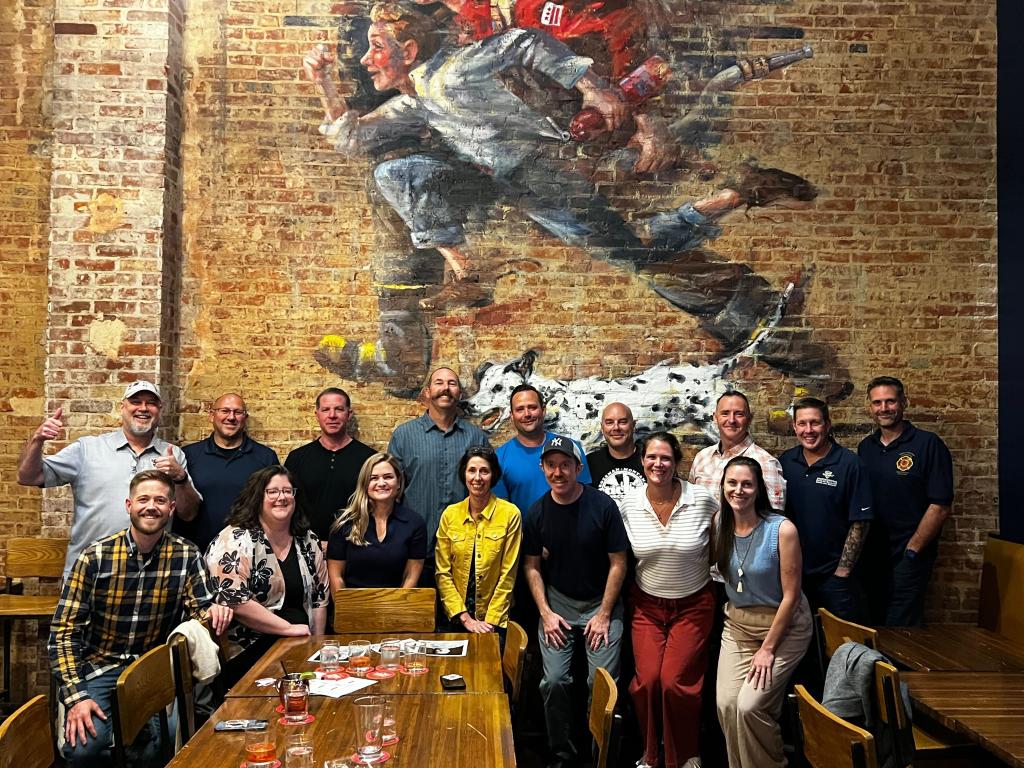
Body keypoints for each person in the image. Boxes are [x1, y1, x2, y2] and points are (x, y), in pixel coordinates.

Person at [302, 4, 789, 356]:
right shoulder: (417, 100)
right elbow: (352, 138)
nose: (368, 60)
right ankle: (467, 275)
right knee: (396, 170)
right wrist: (324, 85)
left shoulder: (451, 74)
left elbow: (525, 42)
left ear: (408, 50)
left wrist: (594, 88)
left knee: (633, 252)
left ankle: (737, 193)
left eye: (376, 48)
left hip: (543, 173)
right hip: (504, 184)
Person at [49, 470, 231, 768]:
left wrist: (215, 611)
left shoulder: (186, 555)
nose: (151, 506)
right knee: (84, 748)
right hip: (99, 667)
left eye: (160, 500)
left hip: (151, 669)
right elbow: (63, 633)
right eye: (143, 499)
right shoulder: (94, 558)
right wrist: (76, 697)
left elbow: (202, 611)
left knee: (170, 742)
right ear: (128, 505)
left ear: (171, 508)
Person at [18, 380, 201, 575]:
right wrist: (37, 440)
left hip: (149, 576)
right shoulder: (88, 449)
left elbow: (188, 514)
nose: (143, 408)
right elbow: (28, 477)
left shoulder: (172, 454)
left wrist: (180, 478)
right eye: (136, 401)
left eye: (151, 403)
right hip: (89, 572)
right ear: (122, 407)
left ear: (160, 410)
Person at [522, 435, 628, 766]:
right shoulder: (537, 512)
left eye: (565, 465)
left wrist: (605, 613)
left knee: (601, 686)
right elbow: (532, 566)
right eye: (551, 465)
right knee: (553, 682)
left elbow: (619, 563)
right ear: (543, 469)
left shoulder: (602, 506)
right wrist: (546, 613)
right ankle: (562, 753)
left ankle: (602, 756)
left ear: (578, 468)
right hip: (559, 603)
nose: (558, 471)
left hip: (602, 602)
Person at [618, 432, 717, 768]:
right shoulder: (629, 504)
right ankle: (651, 754)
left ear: (676, 462)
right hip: (646, 607)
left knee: (676, 684)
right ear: (642, 462)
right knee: (647, 682)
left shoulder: (702, 499)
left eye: (665, 458)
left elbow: (722, 543)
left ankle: (686, 754)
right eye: (651, 458)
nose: (658, 464)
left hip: (693, 606)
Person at [714, 457, 812, 768]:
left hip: (784, 627)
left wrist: (768, 649)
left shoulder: (781, 530)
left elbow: (792, 595)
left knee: (749, 706)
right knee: (727, 704)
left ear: (758, 490)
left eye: (746, 484)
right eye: (732, 483)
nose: (738, 490)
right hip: (739, 626)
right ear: (723, 486)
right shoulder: (720, 523)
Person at [206, 466, 329, 670]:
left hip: (299, 644)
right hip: (248, 649)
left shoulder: (307, 539)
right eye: (272, 491)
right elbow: (236, 600)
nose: (281, 497)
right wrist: (288, 629)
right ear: (257, 497)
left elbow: (319, 598)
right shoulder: (234, 539)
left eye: (287, 491)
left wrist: (316, 647)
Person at [857, 376, 954, 626]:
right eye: (877, 402)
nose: (884, 408)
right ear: (870, 407)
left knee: (901, 626)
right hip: (873, 555)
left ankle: (903, 668)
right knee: (874, 620)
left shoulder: (927, 444)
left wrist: (913, 550)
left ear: (903, 402)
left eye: (890, 401)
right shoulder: (866, 447)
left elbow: (940, 506)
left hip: (909, 555)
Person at [388, 367, 490, 583]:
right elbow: (390, 493)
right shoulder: (404, 435)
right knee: (419, 615)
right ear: (427, 392)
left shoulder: (476, 437)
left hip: (465, 551)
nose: (445, 388)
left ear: (459, 394)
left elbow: (488, 492)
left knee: (462, 616)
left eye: (452, 383)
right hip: (416, 550)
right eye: (439, 383)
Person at [780, 397, 872, 622]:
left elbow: (861, 521)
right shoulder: (785, 462)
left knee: (842, 645)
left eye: (815, 423)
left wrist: (842, 572)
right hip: (795, 575)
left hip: (835, 578)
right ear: (794, 427)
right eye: (802, 424)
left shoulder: (850, 464)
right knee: (801, 643)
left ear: (828, 425)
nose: (808, 430)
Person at [435, 446, 522, 639]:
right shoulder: (450, 514)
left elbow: (508, 574)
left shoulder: (510, 514)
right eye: (472, 470)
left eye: (484, 471)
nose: (477, 477)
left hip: (494, 620)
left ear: (493, 475)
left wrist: (489, 622)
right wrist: (465, 618)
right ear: (464, 474)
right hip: (455, 618)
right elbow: (443, 572)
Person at [176, 392, 279, 553]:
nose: (231, 417)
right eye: (224, 411)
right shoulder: (188, 455)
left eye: (237, 412)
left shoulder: (265, 457)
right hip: (196, 552)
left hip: (249, 552)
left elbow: (274, 508)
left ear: (245, 418)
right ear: (211, 415)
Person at [285, 387, 376, 542]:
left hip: (355, 546)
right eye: (326, 410)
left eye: (339, 409)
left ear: (349, 414)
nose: (332, 415)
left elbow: (376, 508)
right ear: (317, 415)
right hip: (306, 546)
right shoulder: (297, 458)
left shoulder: (369, 458)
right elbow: (287, 504)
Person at [326, 452, 427, 591]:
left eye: (388, 477)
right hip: (354, 606)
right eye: (373, 478)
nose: (381, 483)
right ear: (365, 483)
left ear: (398, 482)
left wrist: (395, 610)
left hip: (397, 606)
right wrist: (346, 611)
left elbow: (411, 578)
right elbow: (336, 577)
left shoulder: (415, 524)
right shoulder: (344, 522)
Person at [495, 384, 592, 518]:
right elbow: (501, 513)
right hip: (525, 537)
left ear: (543, 410)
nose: (527, 414)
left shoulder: (571, 448)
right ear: (511, 415)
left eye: (532, 407)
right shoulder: (499, 458)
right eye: (520, 409)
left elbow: (587, 499)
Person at [689, 391, 787, 512]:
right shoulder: (702, 457)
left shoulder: (765, 463)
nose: (731, 420)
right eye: (725, 413)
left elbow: (773, 519)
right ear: (715, 417)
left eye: (739, 414)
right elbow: (691, 504)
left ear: (749, 419)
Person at [587, 401, 645, 505]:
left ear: (633, 425)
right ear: (602, 428)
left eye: (622, 422)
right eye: (609, 422)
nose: (616, 427)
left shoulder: (650, 461)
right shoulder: (589, 463)